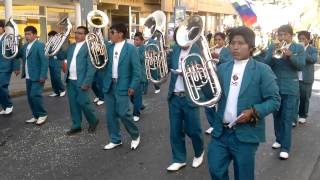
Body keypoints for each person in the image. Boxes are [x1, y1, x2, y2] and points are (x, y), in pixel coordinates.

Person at [207, 26, 280, 180]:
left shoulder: (262, 70)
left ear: (251, 47)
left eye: (240, 43)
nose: (235, 47)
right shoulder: (222, 68)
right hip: (221, 132)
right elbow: (212, 95)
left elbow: (274, 101)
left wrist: (253, 111)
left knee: (244, 176)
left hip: (246, 135)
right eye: (232, 43)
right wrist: (202, 79)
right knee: (215, 170)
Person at [263, 25, 305, 159]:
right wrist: (272, 53)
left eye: (284, 35)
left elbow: (301, 65)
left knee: (287, 118)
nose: (281, 37)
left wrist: (291, 55)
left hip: (291, 88)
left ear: (291, 36)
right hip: (275, 87)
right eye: (279, 35)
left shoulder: (298, 48)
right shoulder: (273, 46)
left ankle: (285, 147)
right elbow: (266, 63)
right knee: (277, 116)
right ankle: (279, 139)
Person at [166, 34, 204, 172]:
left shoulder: (197, 49)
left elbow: (203, 75)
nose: (181, 43)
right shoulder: (176, 49)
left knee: (194, 129)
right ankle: (179, 159)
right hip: (175, 96)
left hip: (190, 96)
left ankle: (199, 152)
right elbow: (168, 64)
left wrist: (189, 73)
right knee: (175, 130)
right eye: (178, 40)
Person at [103, 23, 141, 150]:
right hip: (109, 84)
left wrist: (133, 86)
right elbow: (103, 64)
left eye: (112, 32)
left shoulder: (131, 49)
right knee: (110, 115)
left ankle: (135, 135)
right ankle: (115, 139)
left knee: (124, 114)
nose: (110, 34)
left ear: (120, 34)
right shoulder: (108, 47)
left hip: (124, 85)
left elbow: (137, 71)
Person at [64, 26, 99, 135]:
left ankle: (93, 120)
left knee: (84, 103)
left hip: (82, 80)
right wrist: (60, 44)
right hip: (70, 80)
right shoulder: (71, 46)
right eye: (76, 32)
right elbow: (61, 56)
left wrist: (87, 82)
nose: (77, 35)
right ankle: (76, 125)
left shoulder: (89, 47)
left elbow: (91, 67)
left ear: (85, 35)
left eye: (80, 33)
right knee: (73, 104)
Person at [17, 26, 48, 125]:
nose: (27, 36)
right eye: (25, 34)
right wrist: (16, 44)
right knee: (30, 98)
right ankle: (36, 116)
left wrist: (43, 75)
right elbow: (17, 55)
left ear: (35, 35)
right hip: (28, 76)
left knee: (35, 95)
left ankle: (42, 114)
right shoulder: (25, 46)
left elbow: (44, 61)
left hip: (38, 76)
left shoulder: (40, 45)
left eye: (29, 34)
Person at [205, 32, 232, 135]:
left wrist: (218, 57)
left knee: (220, 103)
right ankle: (212, 124)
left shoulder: (227, 50)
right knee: (209, 103)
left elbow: (230, 61)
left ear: (224, 40)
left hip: (221, 78)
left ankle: (219, 125)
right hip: (210, 78)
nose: (217, 42)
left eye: (219, 39)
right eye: (215, 40)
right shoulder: (210, 50)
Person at [297, 31, 318, 124]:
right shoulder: (295, 48)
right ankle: (294, 117)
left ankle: (302, 115)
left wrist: (303, 51)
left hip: (307, 78)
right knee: (294, 98)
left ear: (308, 40)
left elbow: (313, 60)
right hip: (295, 77)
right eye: (300, 39)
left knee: (304, 98)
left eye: (303, 39)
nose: (301, 40)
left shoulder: (312, 49)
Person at [0, 20, 20, 115]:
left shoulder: (8, 38)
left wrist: (16, 67)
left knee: (2, 86)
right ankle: (4, 106)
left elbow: (14, 54)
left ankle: (8, 105)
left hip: (5, 67)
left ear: (3, 28)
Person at [131, 32, 147, 122]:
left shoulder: (144, 48)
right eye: (134, 39)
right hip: (132, 76)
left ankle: (136, 113)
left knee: (136, 96)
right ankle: (140, 105)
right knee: (131, 96)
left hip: (140, 75)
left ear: (141, 41)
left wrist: (133, 52)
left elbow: (141, 58)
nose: (135, 41)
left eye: (137, 40)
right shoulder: (134, 48)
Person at [47, 31, 66, 97]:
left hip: (57, 62)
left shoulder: (59, 43)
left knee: (57, 78)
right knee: (53, 79)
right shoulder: (49, 44)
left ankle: (62, 90)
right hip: (51, 62)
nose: (49, 38)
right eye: (49, 36)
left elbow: (62, 53)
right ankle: (56, 91)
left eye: (51, 36)